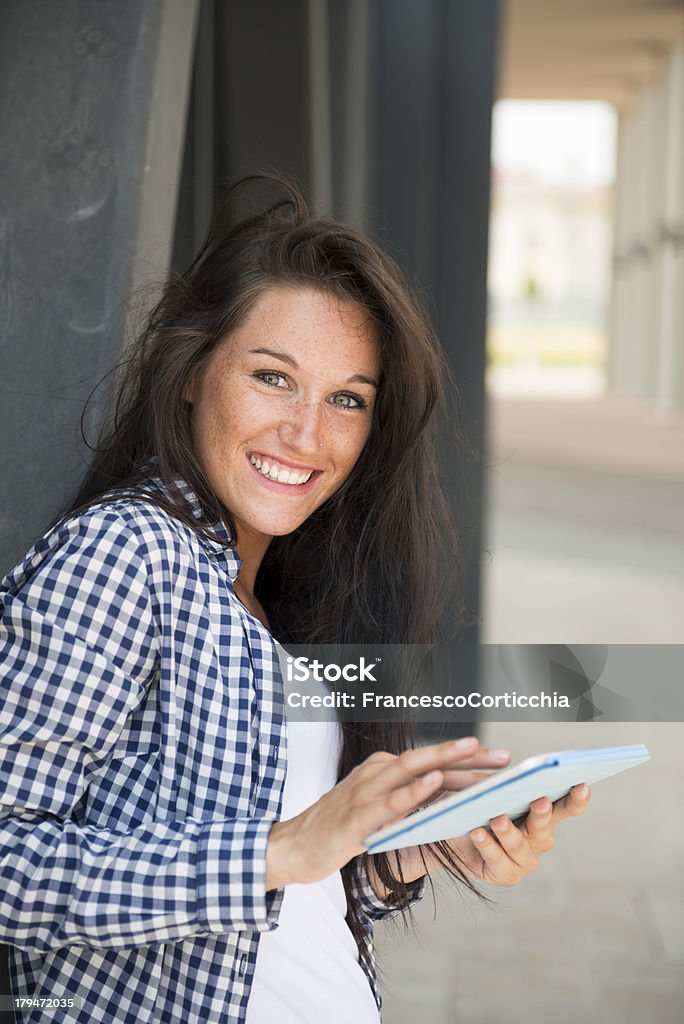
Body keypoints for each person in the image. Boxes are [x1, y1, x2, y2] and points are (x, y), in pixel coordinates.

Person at [0, 174, 590, 1024]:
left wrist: (411, 851)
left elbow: (289, 908)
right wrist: (280, 850)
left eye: (347, 399)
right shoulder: (128, 553)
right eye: (274, 378)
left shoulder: (273, 592)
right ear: (192, 370)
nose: (308, 433)